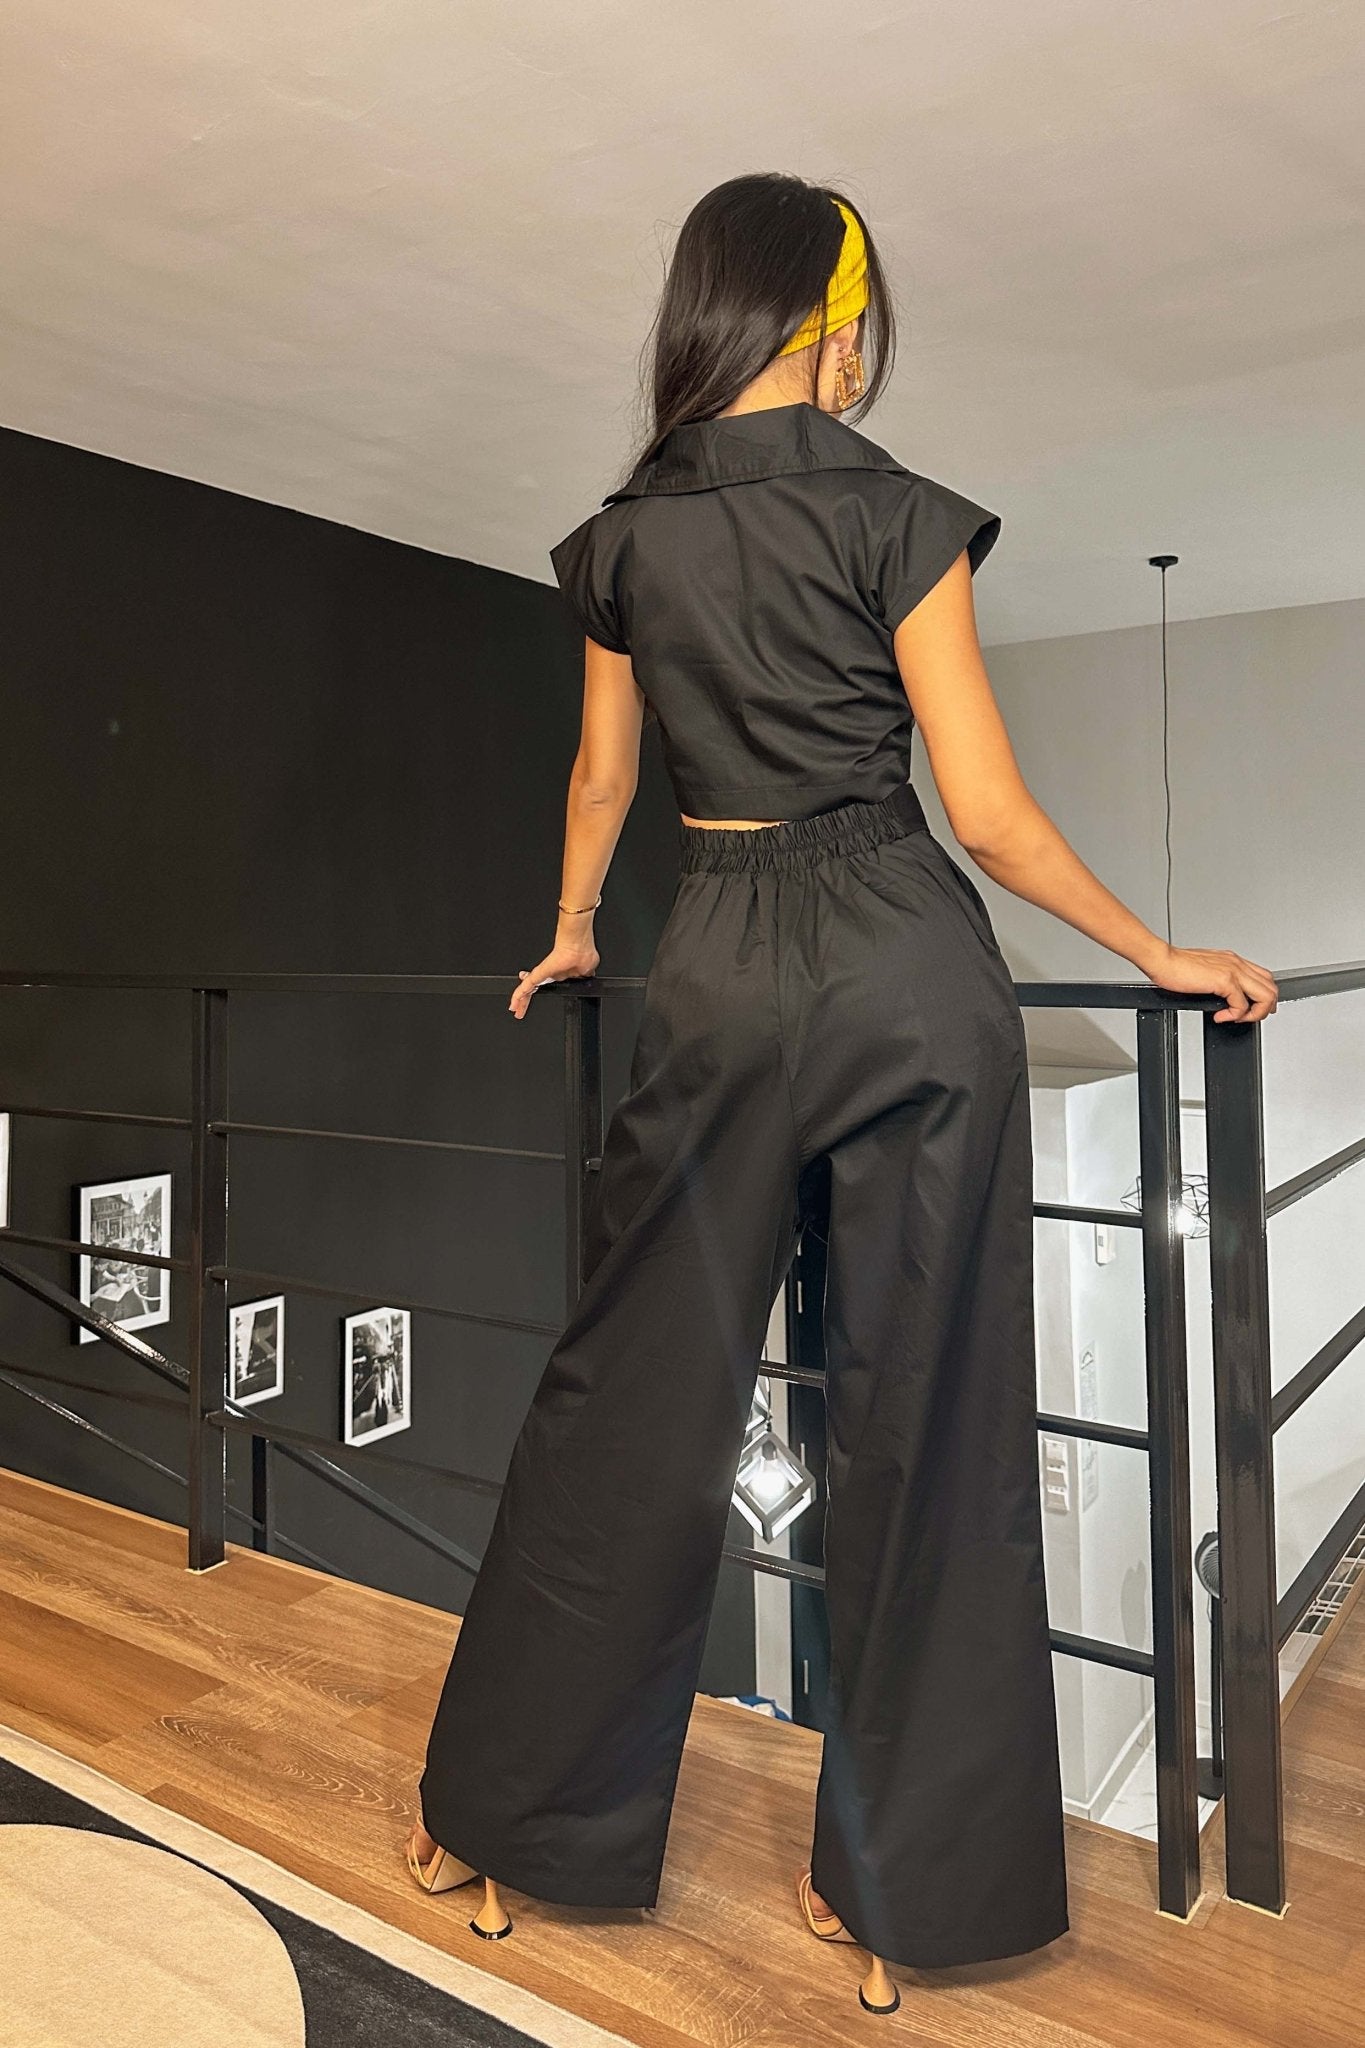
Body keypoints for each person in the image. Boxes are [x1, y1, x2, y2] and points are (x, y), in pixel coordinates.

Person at [406, 173, 1278, 2013]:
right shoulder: (896, 513)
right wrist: (1152, 951)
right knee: (928, 1423)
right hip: (905, 961)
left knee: (629, 1395)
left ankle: (508, 1821)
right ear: (838, 321)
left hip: (716, 961)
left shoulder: (617, 544)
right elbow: (988, 816)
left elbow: (600, 781)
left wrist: (572, 930)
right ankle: (905, 1898)